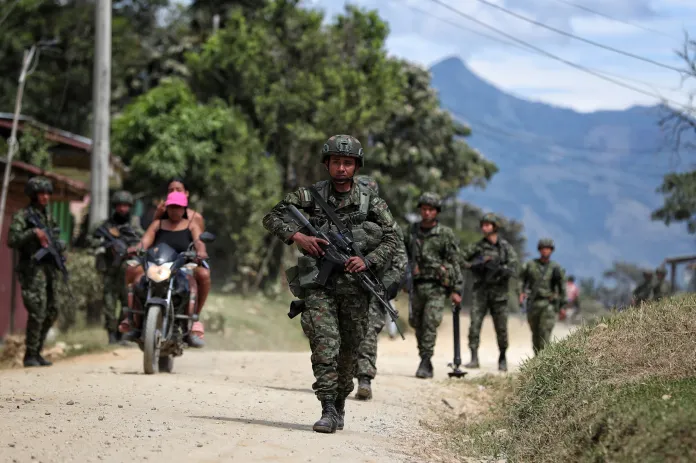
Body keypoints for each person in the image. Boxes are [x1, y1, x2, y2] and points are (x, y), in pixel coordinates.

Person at [262, 135, 398, 434]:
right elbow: (272, 217)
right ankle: (325, 408)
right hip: (320, 286)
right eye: (336, 162)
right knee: (325, 346)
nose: (341, 168)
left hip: (356, 289)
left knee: (348, 352)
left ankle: (339, 406)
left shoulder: (370, 200)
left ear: (356, 166)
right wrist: (298, 237)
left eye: (347, 163)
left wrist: (368, 260)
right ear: (327, 164)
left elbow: (392, 238)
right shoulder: (310, 196)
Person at [121, 191, 208, 347]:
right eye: (172, 207)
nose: (175, 210)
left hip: (181, 267)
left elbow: (199, 242)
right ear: (166, 208)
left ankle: (193, 321)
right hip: (158, 265)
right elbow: (145, 241)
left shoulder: (191, 225)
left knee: (195, 282)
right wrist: (136, 248)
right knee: (137, 280)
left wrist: (200, 251)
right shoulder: (158, 225)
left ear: (184, 209)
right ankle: (133, 320)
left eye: (179, 207)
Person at [353, 175, 408, 401]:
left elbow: (400, 259)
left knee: (368, 331)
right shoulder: (343, 217)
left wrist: (388, 284)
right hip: (344, 285)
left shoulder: (388, 224)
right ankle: (340, 376)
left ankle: (364, 378)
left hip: (374, 287)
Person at [403, 192, 463, 379]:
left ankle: (426, 360)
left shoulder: (445, 234)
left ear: (437, 212)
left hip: (437, 287)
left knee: (430, 323)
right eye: (424, 209)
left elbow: (454, 261)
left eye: (431, 209)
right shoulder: (411, 231)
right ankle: (424, 357)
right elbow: (400, 256)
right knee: (417, 323)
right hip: (417, 285)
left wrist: (456, 289)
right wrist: (404, 278)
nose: (427, 212)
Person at [8, 176, 65, 367]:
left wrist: (59, 246)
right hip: (32, 271)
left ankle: (37, 352)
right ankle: (30, 354)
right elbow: (12, 240)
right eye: (41, 193)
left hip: (49, 270)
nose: (46, 197)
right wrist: (32, 233)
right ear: (33, 195)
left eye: (48, 193)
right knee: (37, 311)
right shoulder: (23, 216)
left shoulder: (48, 218)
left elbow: (57, 238)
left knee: (52, 310)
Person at [460, 213, 518, 371]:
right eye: (483, 224)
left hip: (499, 294)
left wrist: (500, 269)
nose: (484, 227)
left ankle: (502, 357)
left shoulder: (505, 248)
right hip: (481, 292)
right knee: (474, 325)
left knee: (501, 327)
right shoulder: (478, 247)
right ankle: (473, 357)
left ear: (495, 227)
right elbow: (460, 259)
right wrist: (474, 265)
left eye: (487, 224)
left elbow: (514, 266)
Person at [89, 191, 144, 344]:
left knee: (128, 303)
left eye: (125, 205)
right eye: (119, 205)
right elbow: (90, 240)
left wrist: (133, 248)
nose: (122, 209)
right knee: (109, 304)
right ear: (114, 207)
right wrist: (106, 245)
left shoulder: (134, 227)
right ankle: (111, 334)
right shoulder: (105, 226)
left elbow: (144, 242)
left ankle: (122, 332)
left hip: (128, 272)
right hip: (109, 270)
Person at [519, 238, 566, 355]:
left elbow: (562, 288)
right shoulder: (530, 265)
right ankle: (537, 360)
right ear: (539, 250)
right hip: (533, 304)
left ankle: (544, 362)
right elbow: (521, 279)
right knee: (535, 334)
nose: (545, 251)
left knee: (545, 334)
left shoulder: (555, 268)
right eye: (543, 248)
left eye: (548, 248)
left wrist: (562, 306)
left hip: (548, 305)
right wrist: (521, 292)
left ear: (551, 251)